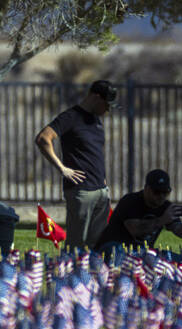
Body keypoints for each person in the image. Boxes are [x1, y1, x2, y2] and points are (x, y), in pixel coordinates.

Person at [35, 80, 118, 250]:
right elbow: (43, 138)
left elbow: (94, 153)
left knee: (97, 246)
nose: (107, 110)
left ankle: (92, 276)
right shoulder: (71, 117)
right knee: (76, 245)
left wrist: (103, 181)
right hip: (81, 191)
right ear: (96, 97)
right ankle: (72, 275)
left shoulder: (96, 121)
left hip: (100, 191)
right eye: (106, 105)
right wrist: (62, 168)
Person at [93, 169, 182, 253]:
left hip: (140, 252)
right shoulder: (130, 201)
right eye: (156, 192)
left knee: (171, 257)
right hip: (114, 248)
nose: (161, 196)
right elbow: (136, 230)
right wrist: (162, 220)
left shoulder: (166, 207)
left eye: (165, 192)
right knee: (118, 250)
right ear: (146, 188)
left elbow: (180, 232)